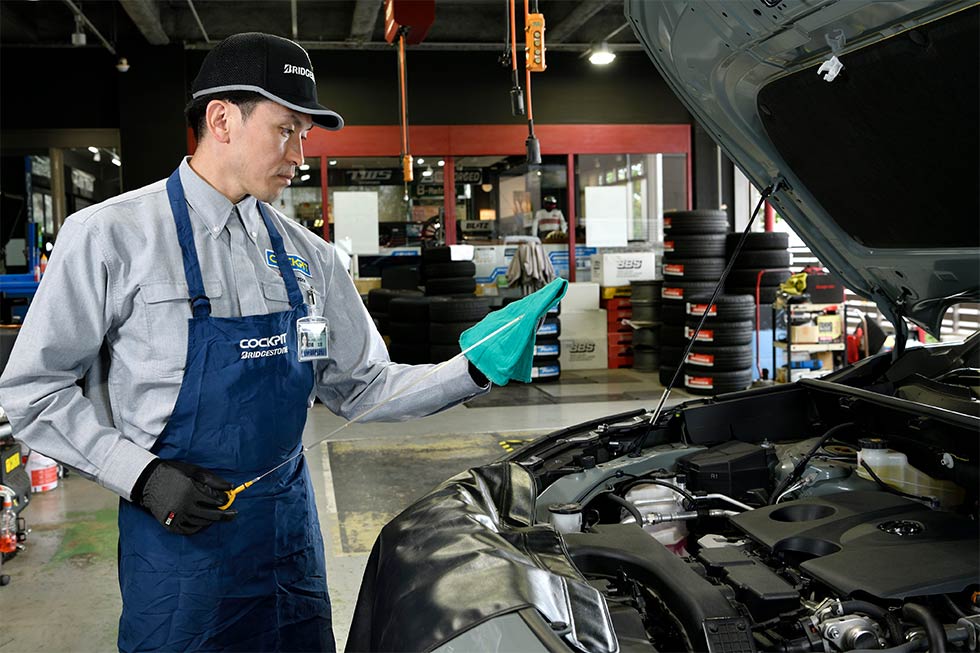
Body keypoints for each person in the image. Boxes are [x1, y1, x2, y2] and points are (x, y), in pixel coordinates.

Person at [0, 33, 496, 652]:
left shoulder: (311, 256)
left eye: (306, 136)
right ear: (221, 119)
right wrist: (144, 476)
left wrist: (474, 367)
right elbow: (32, 391)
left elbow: (362, 385)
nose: (299, 155)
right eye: (286, 130)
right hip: (177, 553)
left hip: (287, 545)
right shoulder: (110, 237)